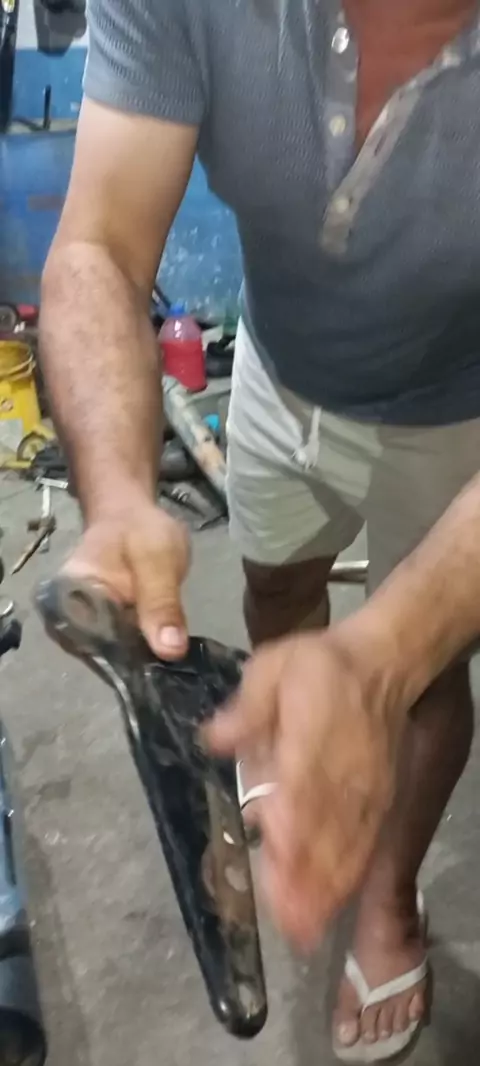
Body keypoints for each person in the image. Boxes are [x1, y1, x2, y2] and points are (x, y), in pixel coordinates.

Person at [39, 0, 480, 1060]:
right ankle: (285, 742)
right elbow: (99, 243)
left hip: (454, 410)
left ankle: (391, 894)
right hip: (279, 378)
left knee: (423, 676)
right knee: (278, 590)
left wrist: (384, 652)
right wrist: (121, 496)